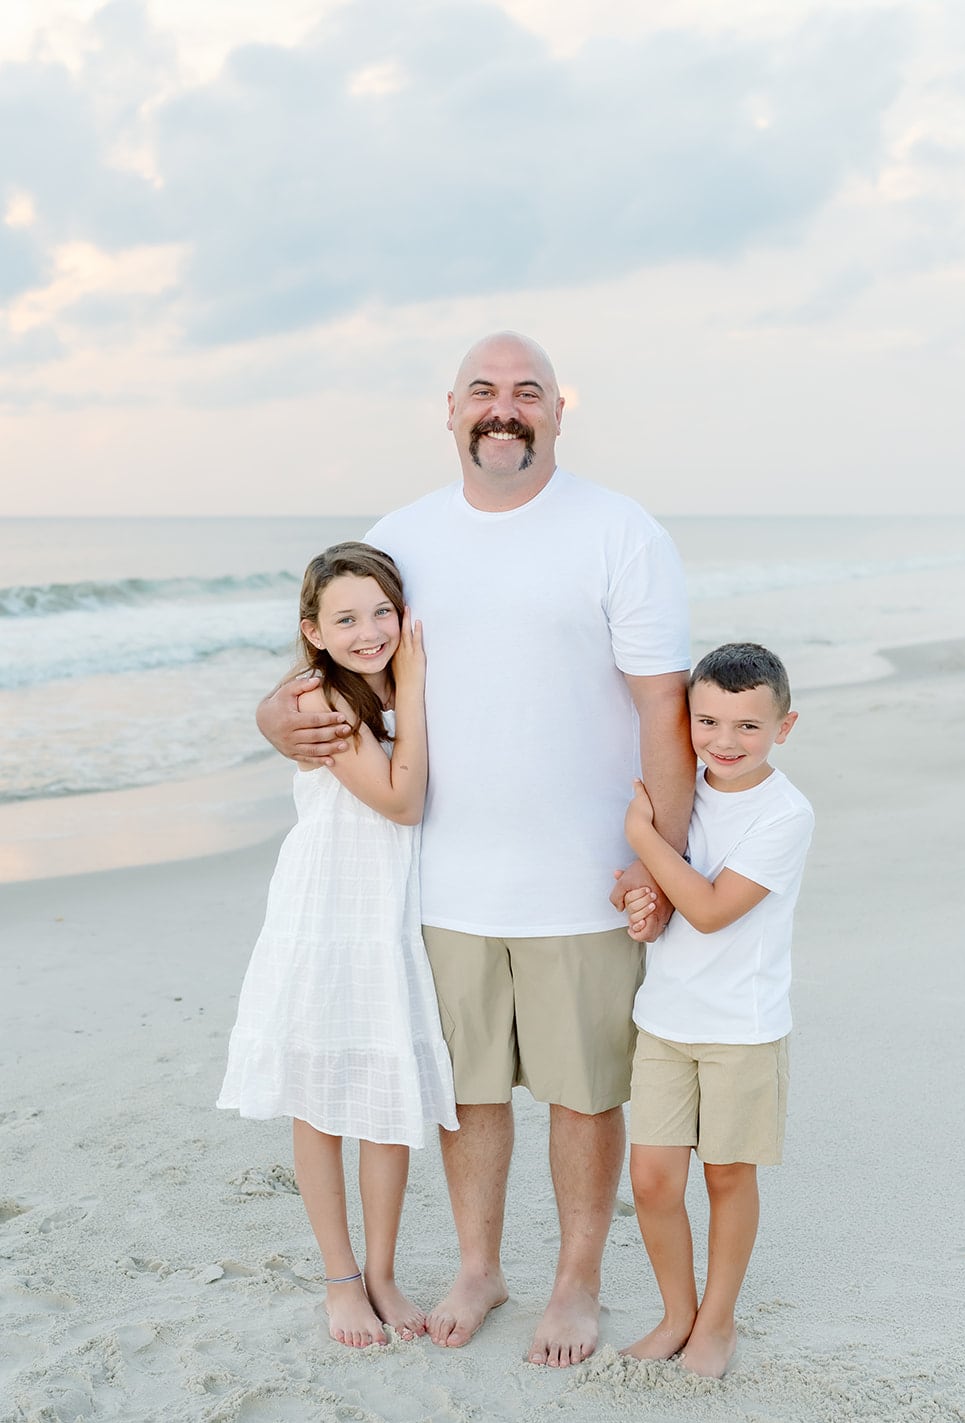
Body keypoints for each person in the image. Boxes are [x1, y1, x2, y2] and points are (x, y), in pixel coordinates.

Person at [257, 332, 694, 1367]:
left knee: (586, 1093)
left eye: (526, 392)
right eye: (484, 392)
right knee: (466, 1092)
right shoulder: (401, 537)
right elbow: (333, 660)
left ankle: (576, 1285)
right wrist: (270, 716)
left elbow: (661, 707)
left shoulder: (618, 531)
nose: (505, 408)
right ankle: (477, 1266)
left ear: (556, 411)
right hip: (435, 876)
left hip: (585, 877)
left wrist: (660, 861)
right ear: (448, 409)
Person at [218, 543, 458, 1350]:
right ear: (312, 632)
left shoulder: (393, 687)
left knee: (384, 1091)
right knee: (322, 1096)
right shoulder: (322, 699)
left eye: (382, 611)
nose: (369, 631)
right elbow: (401, 800)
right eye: (345, 618)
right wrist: (415, 691)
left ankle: (383, 1271)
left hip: (388, 915)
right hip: (328, 911)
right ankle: (341, 1279)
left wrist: (413, 689)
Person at [618, 642, 814, 1377]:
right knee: (652, 1183)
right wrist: (638, 902)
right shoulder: (677, 793)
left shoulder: (783, 815)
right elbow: (649, 889)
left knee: (726, 1176)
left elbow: (706, 909)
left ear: (783, 728)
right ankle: (676, 1312)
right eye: (707, 723)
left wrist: (641, 836)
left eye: (746, 728)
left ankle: (717, 1323)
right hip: (664, 1021)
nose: (723, 743)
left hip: (741, 1028)